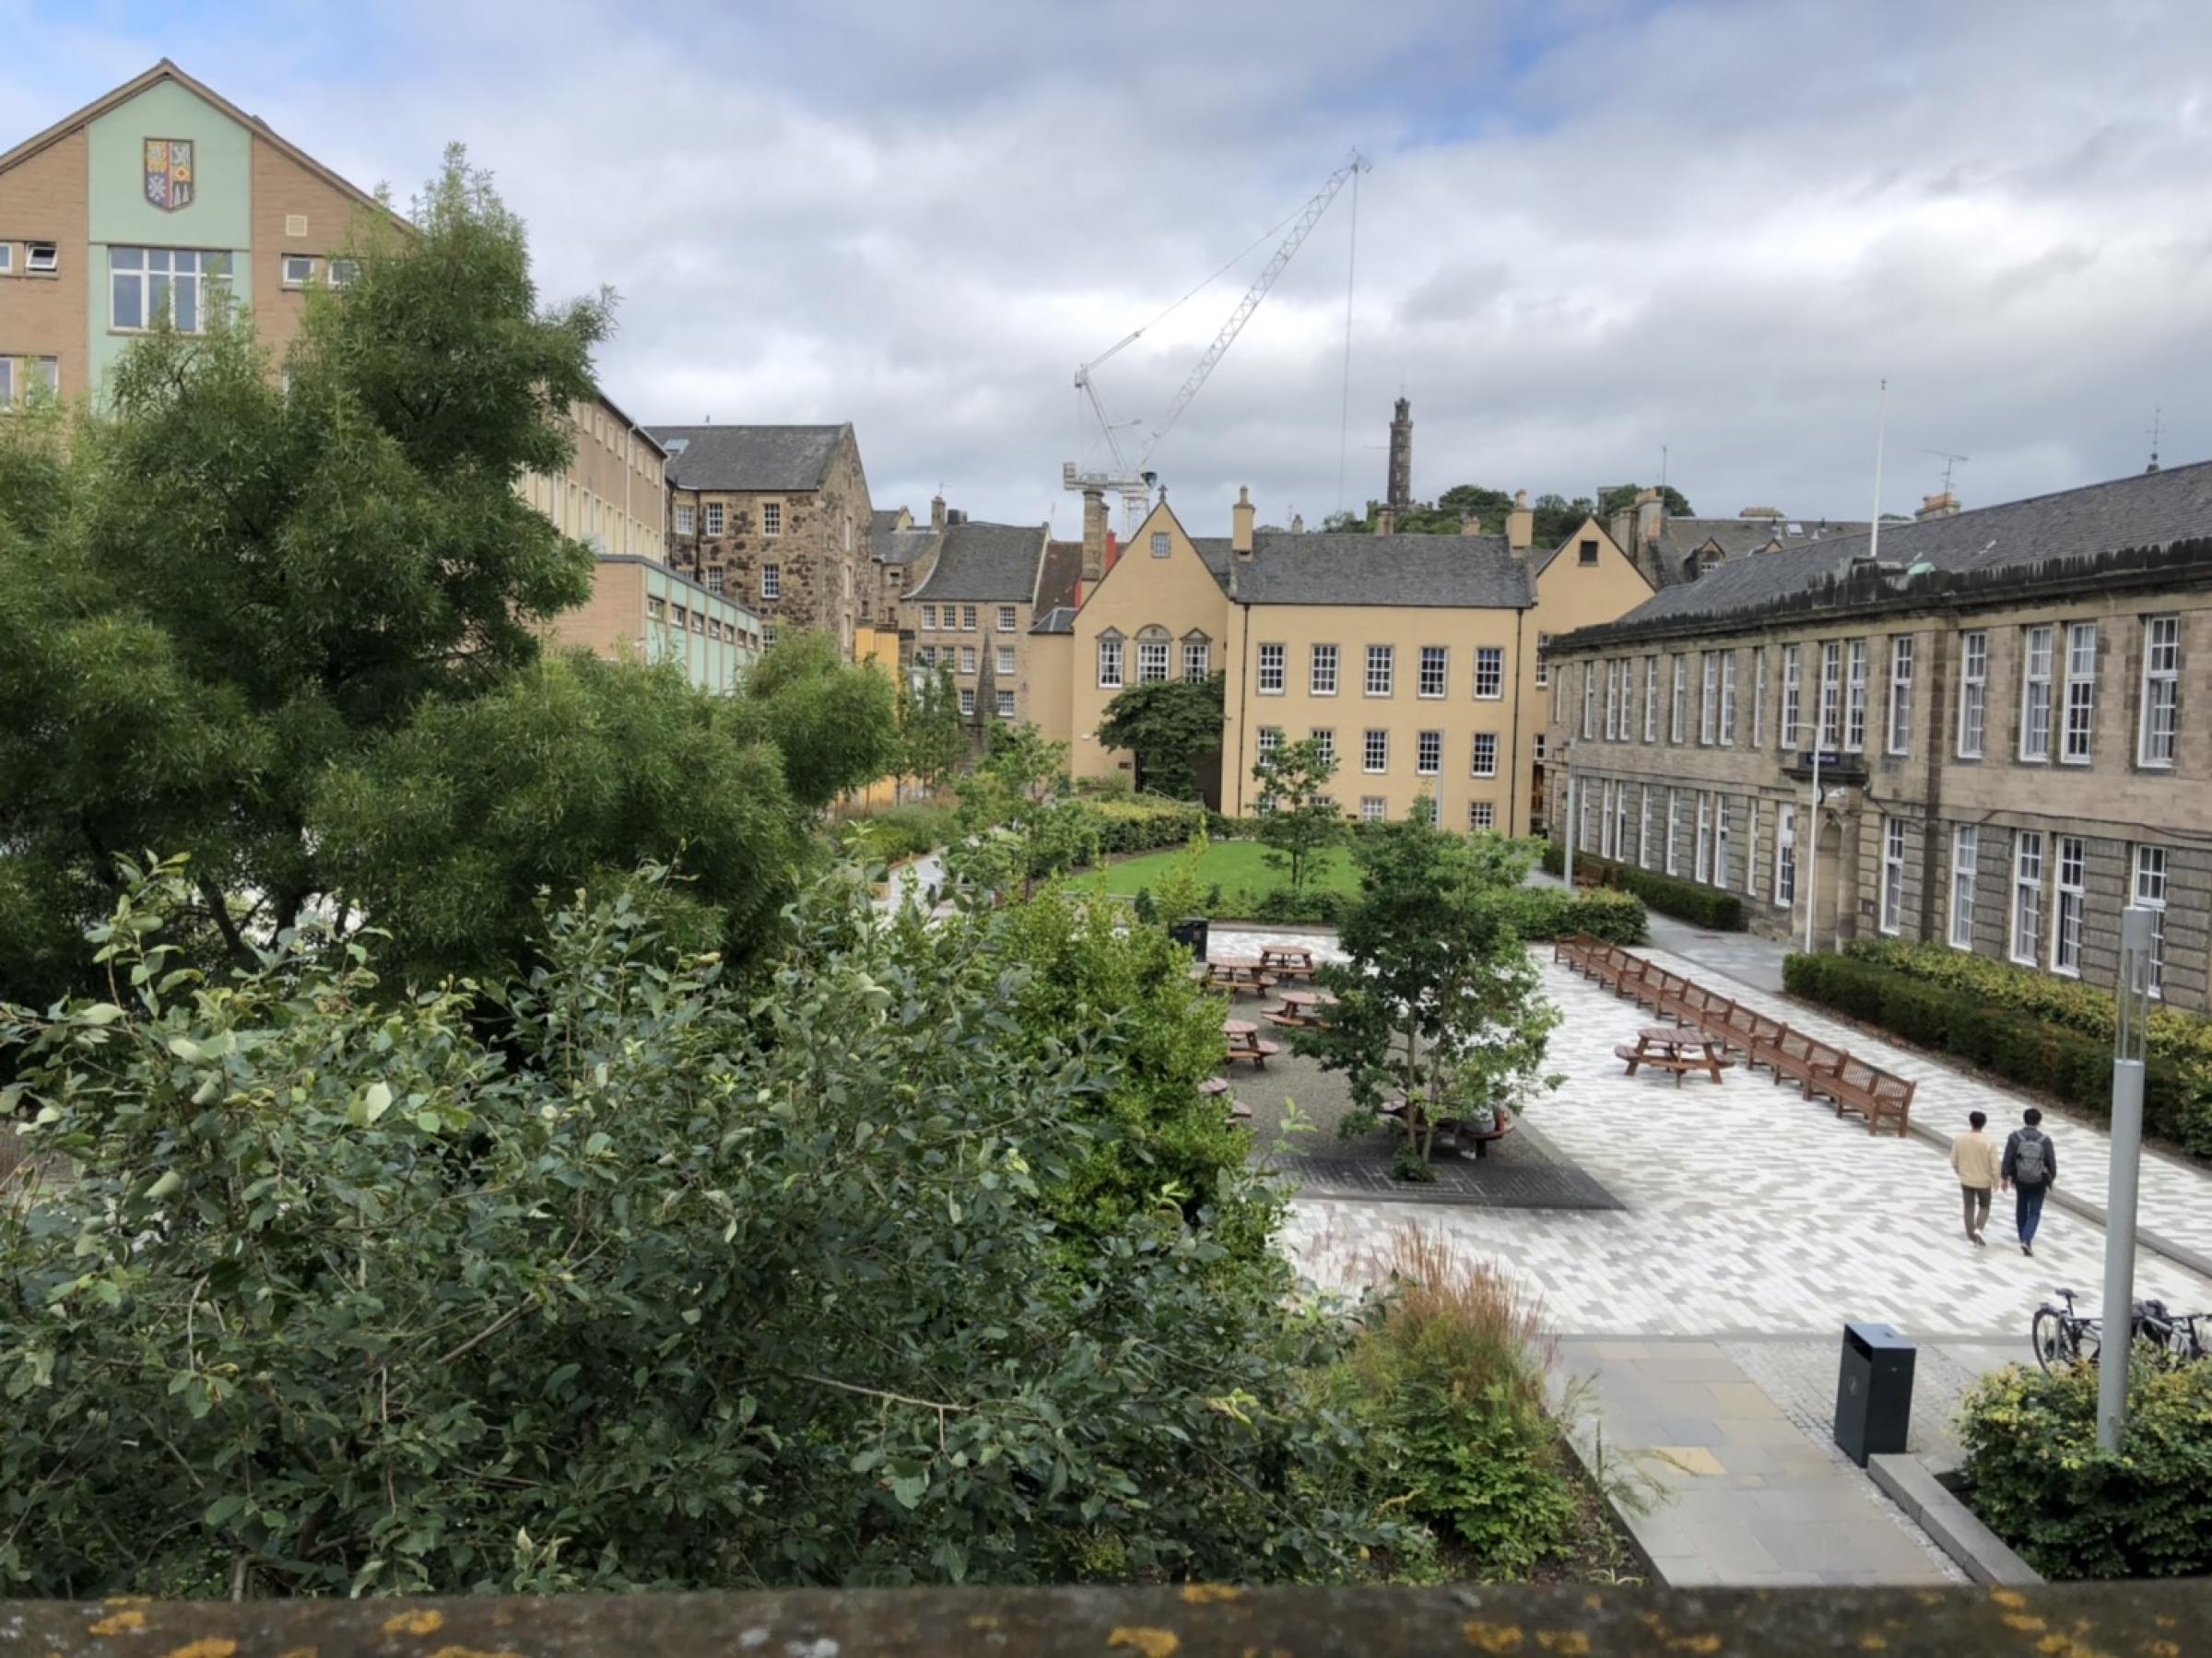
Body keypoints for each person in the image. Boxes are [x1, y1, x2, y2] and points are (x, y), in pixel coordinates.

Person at [2002, 1107, 2058, 1257]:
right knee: (2034, 1211)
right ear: (2039, 1122)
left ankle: (2022, 1237)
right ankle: (2027, 1239)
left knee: (2021, 1207)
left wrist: (2005, 1176)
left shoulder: (2014, 1137)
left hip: (2020, 1179)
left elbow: (2008, 1159)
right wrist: (2051, 1178)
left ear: (2024, 1119)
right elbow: (2051, 1163)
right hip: (2039, 1180)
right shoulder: (2045, 1140)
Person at [1949, 1110, 2001, 1246]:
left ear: (1970, 1122)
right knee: (1984, 1206)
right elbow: (1994, 1165)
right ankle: (1979, 1228)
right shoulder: (1989, 1142)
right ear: (1984, 1123)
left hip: (1966, 1179)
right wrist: (1996, 1181)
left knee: (1968, 1207)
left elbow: (1953, 1160)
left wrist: (1959, 1171)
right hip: (1983, 1181)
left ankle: (1971, 1234)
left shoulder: (1960, 1139)